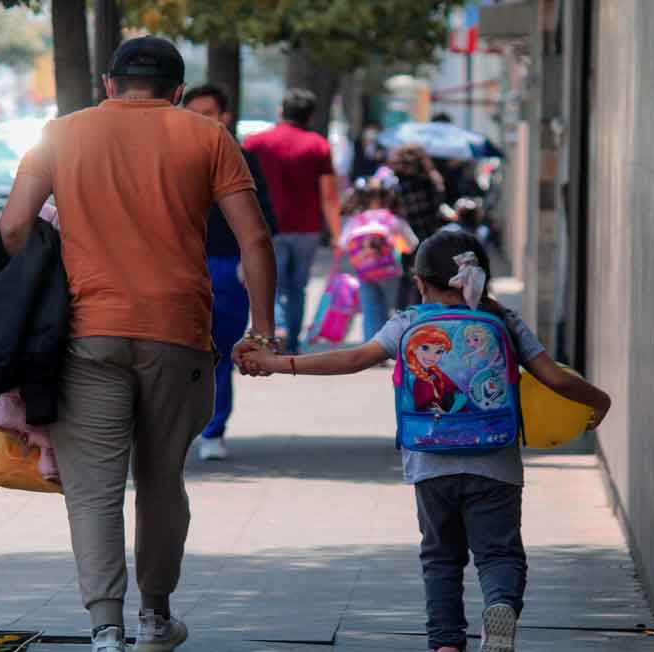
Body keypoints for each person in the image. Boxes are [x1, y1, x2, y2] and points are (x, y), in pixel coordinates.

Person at [0, 36, 278, 652]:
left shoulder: (60, 133)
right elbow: (254, 240)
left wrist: (48, 283)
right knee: (160, 479)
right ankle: (156, 617)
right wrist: (262, 329)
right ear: (178, 90)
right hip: (177, 332)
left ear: (108, 85)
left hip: (85, 332)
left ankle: (104, 628)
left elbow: (14, 225)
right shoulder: (208, 137)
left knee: (94, 490)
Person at [240, 230, 612, 652]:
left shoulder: (409, 323)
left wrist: (276, 363)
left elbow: (351, 359)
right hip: (496, 461)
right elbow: (556, 377)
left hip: (431, 460)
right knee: (500, 554)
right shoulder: (505, 322)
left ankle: (447, 643)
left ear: (419, 282)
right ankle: (501, 605)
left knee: (440, 558)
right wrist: (600, 401)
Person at [182, 83, 279, 461]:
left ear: (225, 117)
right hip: (178, 265)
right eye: (192, 114)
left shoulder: (242, 157)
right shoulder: (170, 158)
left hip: (225, 266)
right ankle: (177, 426)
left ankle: (213, 429)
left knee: (219, 351)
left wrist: (247, 265)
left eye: (206, 114)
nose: (199, 122)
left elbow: (264, 221)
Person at [244, 88, 343, 354]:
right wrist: (336, 233)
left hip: (265, 225)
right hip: (306, 228)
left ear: (280, 111)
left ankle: (277, 331)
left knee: (268, 283)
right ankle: (293, 341)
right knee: (297, 287)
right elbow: (329, 195)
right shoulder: (318, 145)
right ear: (310, 116)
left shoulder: (255, 143)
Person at [339, 178, 418, 342]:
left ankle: (371, 348)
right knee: (393, 310)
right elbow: (411, 244)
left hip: (364, 271)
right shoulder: (392, 219)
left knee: (370, 309)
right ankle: (392, 346)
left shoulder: (356, 220)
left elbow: (343, 243)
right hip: (390, 271)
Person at [386, 145, 445, 308]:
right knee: (426, 282)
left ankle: (404, 317)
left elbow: (391, 211)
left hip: (407, 240)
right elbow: (438, 205)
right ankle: (422, 316)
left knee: (406, 280)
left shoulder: (396, 186)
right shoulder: (431, 181)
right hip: (430, 237)